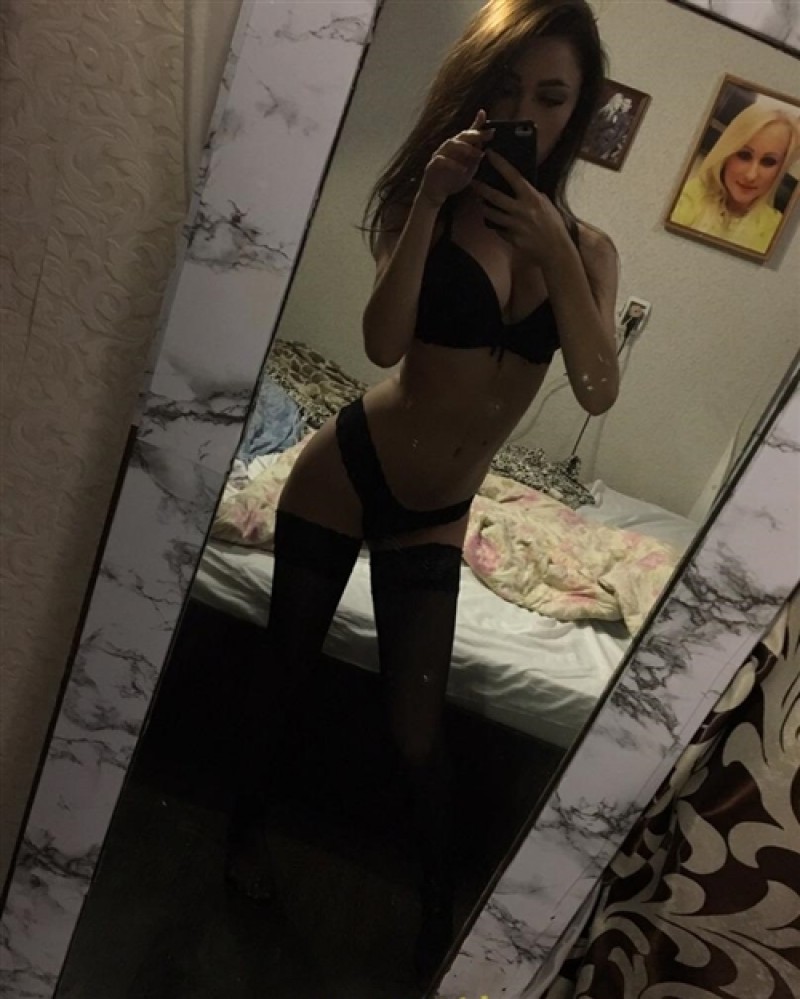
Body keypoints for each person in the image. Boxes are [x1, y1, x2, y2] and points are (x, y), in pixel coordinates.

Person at [226, 0, 620, 983]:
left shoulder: (590, 252)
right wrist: (434, 206)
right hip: (345, 469)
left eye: (551, 96)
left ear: (578, 111)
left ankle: (441, 914)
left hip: (436, 514)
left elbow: (596, 387)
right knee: (283, 674)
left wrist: (555, 252)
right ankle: (240, 835)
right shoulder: (421, 201)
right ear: (476, 91)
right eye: (505, 89)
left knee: (416, 731)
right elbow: (377, 344)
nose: (524, 113)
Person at [670, 103, 800, 254]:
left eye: (768, 161)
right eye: (744, 155)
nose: (751, 175)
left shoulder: (779, 231)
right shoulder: (684, 198)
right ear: (726, 153)